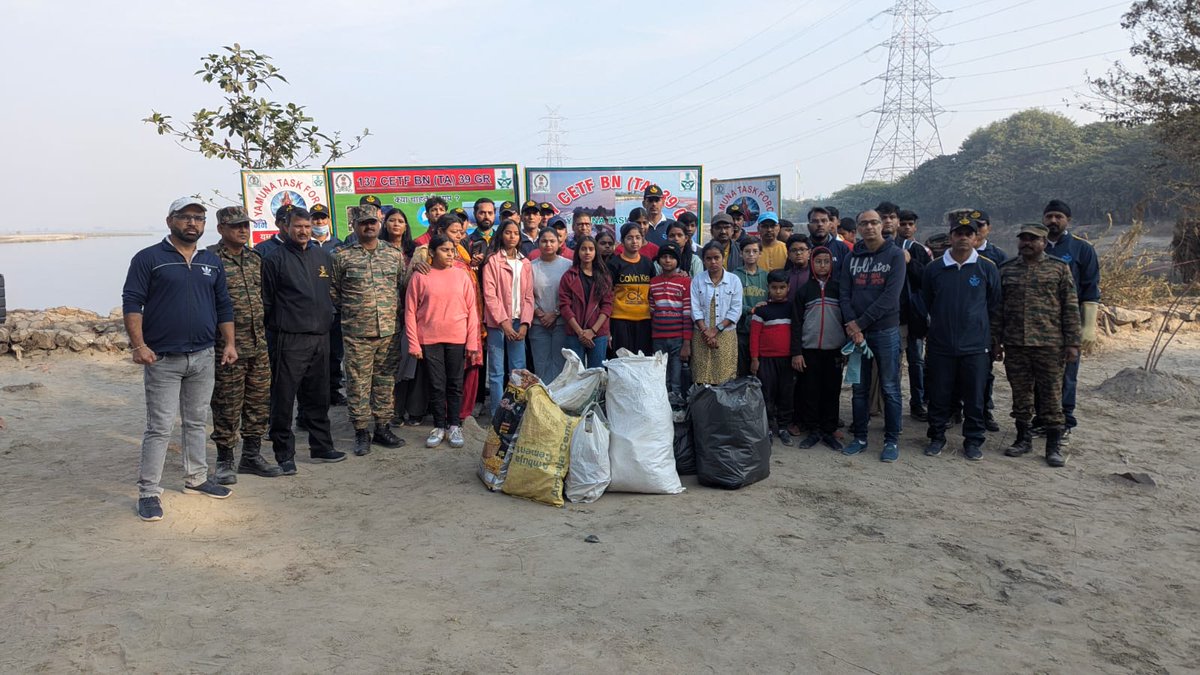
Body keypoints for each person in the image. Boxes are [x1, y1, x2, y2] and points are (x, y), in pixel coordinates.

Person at [123, 197, 236, 521]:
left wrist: (229, 343)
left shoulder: (211, 262)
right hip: (162, 359)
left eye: (198, 218)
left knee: (197, 421)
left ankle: (197, 478)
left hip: (203, 356)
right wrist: (138, 345)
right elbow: (132, 302)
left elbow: (223, 305)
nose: (192, 223)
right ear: (170, 220)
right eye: (185, 217)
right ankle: (148, 492)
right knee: (159, 427)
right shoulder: (149, 259)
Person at [261, 207, 347, 473]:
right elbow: (266, 302)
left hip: (320, 337)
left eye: (307, 227)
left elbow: (330, 294)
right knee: (284, 398)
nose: (303, 231)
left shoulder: (323, 256)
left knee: (318, 396)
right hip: (289, 338)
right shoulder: (274, 259)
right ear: (285, 227)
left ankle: (321, 447)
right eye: (297, 226)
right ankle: (284, 455)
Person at [995, 223, 1081, 468]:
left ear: (1044, 242)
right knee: (1020, 394)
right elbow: (998, 309)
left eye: (1033, 239)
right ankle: (1023, 439)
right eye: (1023, 239)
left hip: (1050, 344)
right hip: (1016, 343)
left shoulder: (1059, 268)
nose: (1027, 243)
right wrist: (996, 341)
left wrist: (1073, 343)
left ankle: (1053, 446)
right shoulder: (1007, 270)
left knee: (1052, 396)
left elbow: (1071, 308)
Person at [207, 206, 282, 485]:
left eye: (245, 225)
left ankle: (251, 455)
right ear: (221, 229)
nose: (242, 230)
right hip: (226, 346)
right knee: (227, 403)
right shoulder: (210, 259)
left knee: (259, 402)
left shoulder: (254, 259)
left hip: (258, 343)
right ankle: (225, 459)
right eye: (236, 225)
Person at [920, 212, 1002, 461]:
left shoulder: (987, 268)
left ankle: (974, 440)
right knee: (939, 394)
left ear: (976, 238)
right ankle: (936, 437)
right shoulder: (934, 268)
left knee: (975, 397)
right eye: (959, 233)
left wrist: (994, 340)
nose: (963, 238)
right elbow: (926, 302)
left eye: (969, 234)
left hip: (976, 346)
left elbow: (994, 306)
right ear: (951, 236)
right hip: (941, 344)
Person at [331, 206, 407, 457]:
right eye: (363, 223)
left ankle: (383, 427)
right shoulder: (342, 256)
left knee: (385, 381)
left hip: (388, 331)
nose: (369, 227)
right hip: (357, 333)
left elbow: (401, 287)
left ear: (379, 223)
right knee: (358, 384)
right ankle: (361, 431)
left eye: (373, 222)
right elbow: (334, 292)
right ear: (354, 225)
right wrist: (356, 313)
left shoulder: (393, 254)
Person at [839, 209, 907, 462]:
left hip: (885, 330)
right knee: (859, 388)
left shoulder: (895, 255)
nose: (869, 227)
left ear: (883, 225)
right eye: (863, 223)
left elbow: (890, 297)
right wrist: (851, 324)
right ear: (857, 228)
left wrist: (860, 324)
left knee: (890, 387)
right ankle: (860, 437)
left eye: (874, 222)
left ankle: (891, 440)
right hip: (856, 332)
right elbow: (844, 293)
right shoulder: (851, 257)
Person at [405, 236, 481, 448]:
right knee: (436, 384)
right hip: (429, 339)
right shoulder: (420, 277)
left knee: (455, 384)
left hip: (457, 338)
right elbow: (410, 312)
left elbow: (471, 311)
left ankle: (454, 425)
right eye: (444, 250)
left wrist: (472, 342)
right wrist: (414, 343)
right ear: (432, 252)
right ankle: (439, 425)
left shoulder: (462, 276)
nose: (450, 254)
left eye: (452, 250)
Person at [1039, 199, 1099, 443]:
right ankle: (1041, 420)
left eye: (1058, 217)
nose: (1053, 221)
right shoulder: (1034, 245)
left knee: (1066, 375)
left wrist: (1088, 327)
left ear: (1068, 220)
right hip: (1038, 324)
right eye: (1049, 216)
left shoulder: (1082, 249)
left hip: (1068, 325)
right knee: (1039, 375)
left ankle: (1064, 420)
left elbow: (1091, 289)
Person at [792, 247, 846, 450]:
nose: (822, 265)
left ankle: (829, 428)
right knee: (810, 389)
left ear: (832, 263)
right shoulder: (804, 291)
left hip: (834, 349)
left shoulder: (839, 289)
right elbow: (796, 324)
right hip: (809, 349)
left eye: (826, 261)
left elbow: (847, 319)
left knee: (832, 390)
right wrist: (796, 351)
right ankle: (813, 429)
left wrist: (846, 346)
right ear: (811, 264)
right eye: (818, 262)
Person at [482, 220, 534, 416]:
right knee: (496, 371)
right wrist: (503, 322)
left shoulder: (525, 263)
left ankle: (516, 411)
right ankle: (497, 413)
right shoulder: (493, 261)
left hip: (518, 322)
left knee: (518, 370)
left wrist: (525, 324)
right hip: (498, 324)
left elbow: (529, 296)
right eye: (508, 232)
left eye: (515, 233)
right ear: (501, 235)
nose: (512, 236)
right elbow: (490, 295)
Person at [750, 270, 795, 445]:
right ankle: (767, 427)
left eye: (782, 287)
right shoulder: (762, 311)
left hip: (787, 359)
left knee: (786, 393)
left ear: (788, 288)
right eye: (774, 288)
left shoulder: (792, 308)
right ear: (768, 288)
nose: (778, 291)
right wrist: (755, 358)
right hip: (766, 359)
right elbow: (754, 337)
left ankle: (783, 427)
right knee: (766, 393)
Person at [690, 242, 743, 385]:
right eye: (708, 258)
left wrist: (716, 330)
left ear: (723, 257)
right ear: (704, 260)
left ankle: (721, 407)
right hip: (702, 334)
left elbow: (736, 309)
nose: (713, 262)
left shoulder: (734, 280)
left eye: (716, 258)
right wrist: (705, 331)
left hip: (725, 333)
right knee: (701, 374)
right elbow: (695, 308)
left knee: (724, 375)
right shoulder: (697, 280)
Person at [896, 209, 931, 421]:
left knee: (917, 362)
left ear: (915, 227)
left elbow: (926, 279)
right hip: (897, 316)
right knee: (895, 364)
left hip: (916, 315)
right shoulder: (889, 248)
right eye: (903, 223)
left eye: (910, 224)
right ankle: (894, 405)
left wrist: (910, 262)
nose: (906, 227)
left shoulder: (921, 250)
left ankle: (917, 403)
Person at [558, 235, 614, 368]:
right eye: (583, 249)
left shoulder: (604, 276)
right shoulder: (569, 276)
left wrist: (592, 331)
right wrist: (580, 332)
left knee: (597, 374)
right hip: (575, 332)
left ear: (596, 252)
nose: (587, 252)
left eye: (591, 249)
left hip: (598, 332)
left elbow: (607, 306)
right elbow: (565, 306)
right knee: (576, 375)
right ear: (578, 252)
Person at [650, 243, 692, 404]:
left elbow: (687, 313)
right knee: (660, 375)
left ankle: (676, 407)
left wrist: (686, 342)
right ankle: (662, 407)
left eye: (672, 257)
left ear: (678, 261)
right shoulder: (653, 282)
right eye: (664, 257)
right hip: (658, 337)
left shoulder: (685, 282)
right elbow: (652, 311)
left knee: (676, 376)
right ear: (659, 260)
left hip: (678, 338)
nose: (667, 260)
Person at [529, 227, 572, 381]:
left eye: (552, 241)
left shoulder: (568, 265)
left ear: (559, 243)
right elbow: (526, 295)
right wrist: (540, 314)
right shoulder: (530, 266)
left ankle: (559, 401)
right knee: (541, 365)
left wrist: (554, 313)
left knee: (561, 365)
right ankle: (543, 401)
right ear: (538, 243)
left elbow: (570, 294)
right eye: (544, 241)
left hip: (561, 323)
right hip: (538, 323)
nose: (548, 244)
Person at [607, 221, 655, 355]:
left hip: (644, 320)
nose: (634, 241)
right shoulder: (614, 264)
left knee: (641, 362)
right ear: (622, 241)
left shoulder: (648, 263)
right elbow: (607, 296)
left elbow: (653, 291)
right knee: (622, 361)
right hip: (620, 321)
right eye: (629, 238)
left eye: (638, 237)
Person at [733, 237, 768, 377]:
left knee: (760, 370)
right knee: (742, 370)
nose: (751, 254)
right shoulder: (734, 276)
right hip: (741, 330)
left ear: (760, 253)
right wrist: (749, 309)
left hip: (762, 331)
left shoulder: (766, 276)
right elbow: (731, 303)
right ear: (741, 254)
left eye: (755, 251)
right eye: (747, 251)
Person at [641, 183, 673, 247]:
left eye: (657, 200)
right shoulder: (638, 227)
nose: (654, 204)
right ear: (644, 203)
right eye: (650, 200)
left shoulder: (672, 225)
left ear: (663, 203)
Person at [783, 234, 812, 302]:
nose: (798, 253)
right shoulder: (785, 277)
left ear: (809, 253)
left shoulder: (815, 275)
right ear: (788, 254)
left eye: (802, 249)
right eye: (794, 250)